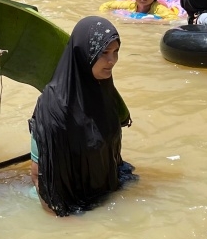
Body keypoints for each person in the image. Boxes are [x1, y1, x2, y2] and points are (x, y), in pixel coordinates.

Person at [29, 16, 134, 216]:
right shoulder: (53, 107)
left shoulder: (104, 92)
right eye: (104, 53)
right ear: (84, 54)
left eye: (116, 52)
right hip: (67, 205)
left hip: (104, 196)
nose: (112, 61)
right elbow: (38, 176)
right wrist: (67, 227)